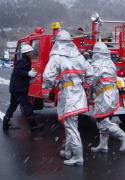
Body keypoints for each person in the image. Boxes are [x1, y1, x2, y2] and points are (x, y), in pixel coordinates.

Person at [42, 30, 93, 166]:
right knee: (72, 123)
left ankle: (78, 157)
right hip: (79, 91)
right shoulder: (79, 56)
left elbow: (47, 76)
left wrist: (48, 86)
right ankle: (68, 151)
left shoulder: (57, 57)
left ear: (57, 43)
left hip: (68, 92)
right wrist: (86, 87)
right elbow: (90, 74)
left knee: (70, 126)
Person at [90, 41, 125, 153]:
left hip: (104, 95)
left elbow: (91, 80)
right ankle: (103, 145)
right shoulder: (110, 63)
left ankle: (123, 136)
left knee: (101, 120)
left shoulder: (97, 64)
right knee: (104, 119)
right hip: (112, 94)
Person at [3, 45, 43, 131]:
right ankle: (33, 126)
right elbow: (19, 72)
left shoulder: (25, 61)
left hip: (15, 88)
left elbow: (20, 75)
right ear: (27, 53)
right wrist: (28, 74)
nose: (33, 53)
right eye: (31, 52)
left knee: (13, 105)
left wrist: (31, 78)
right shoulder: (23, 61)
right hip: (19, 89)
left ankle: (5, 123)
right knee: (26, 105)